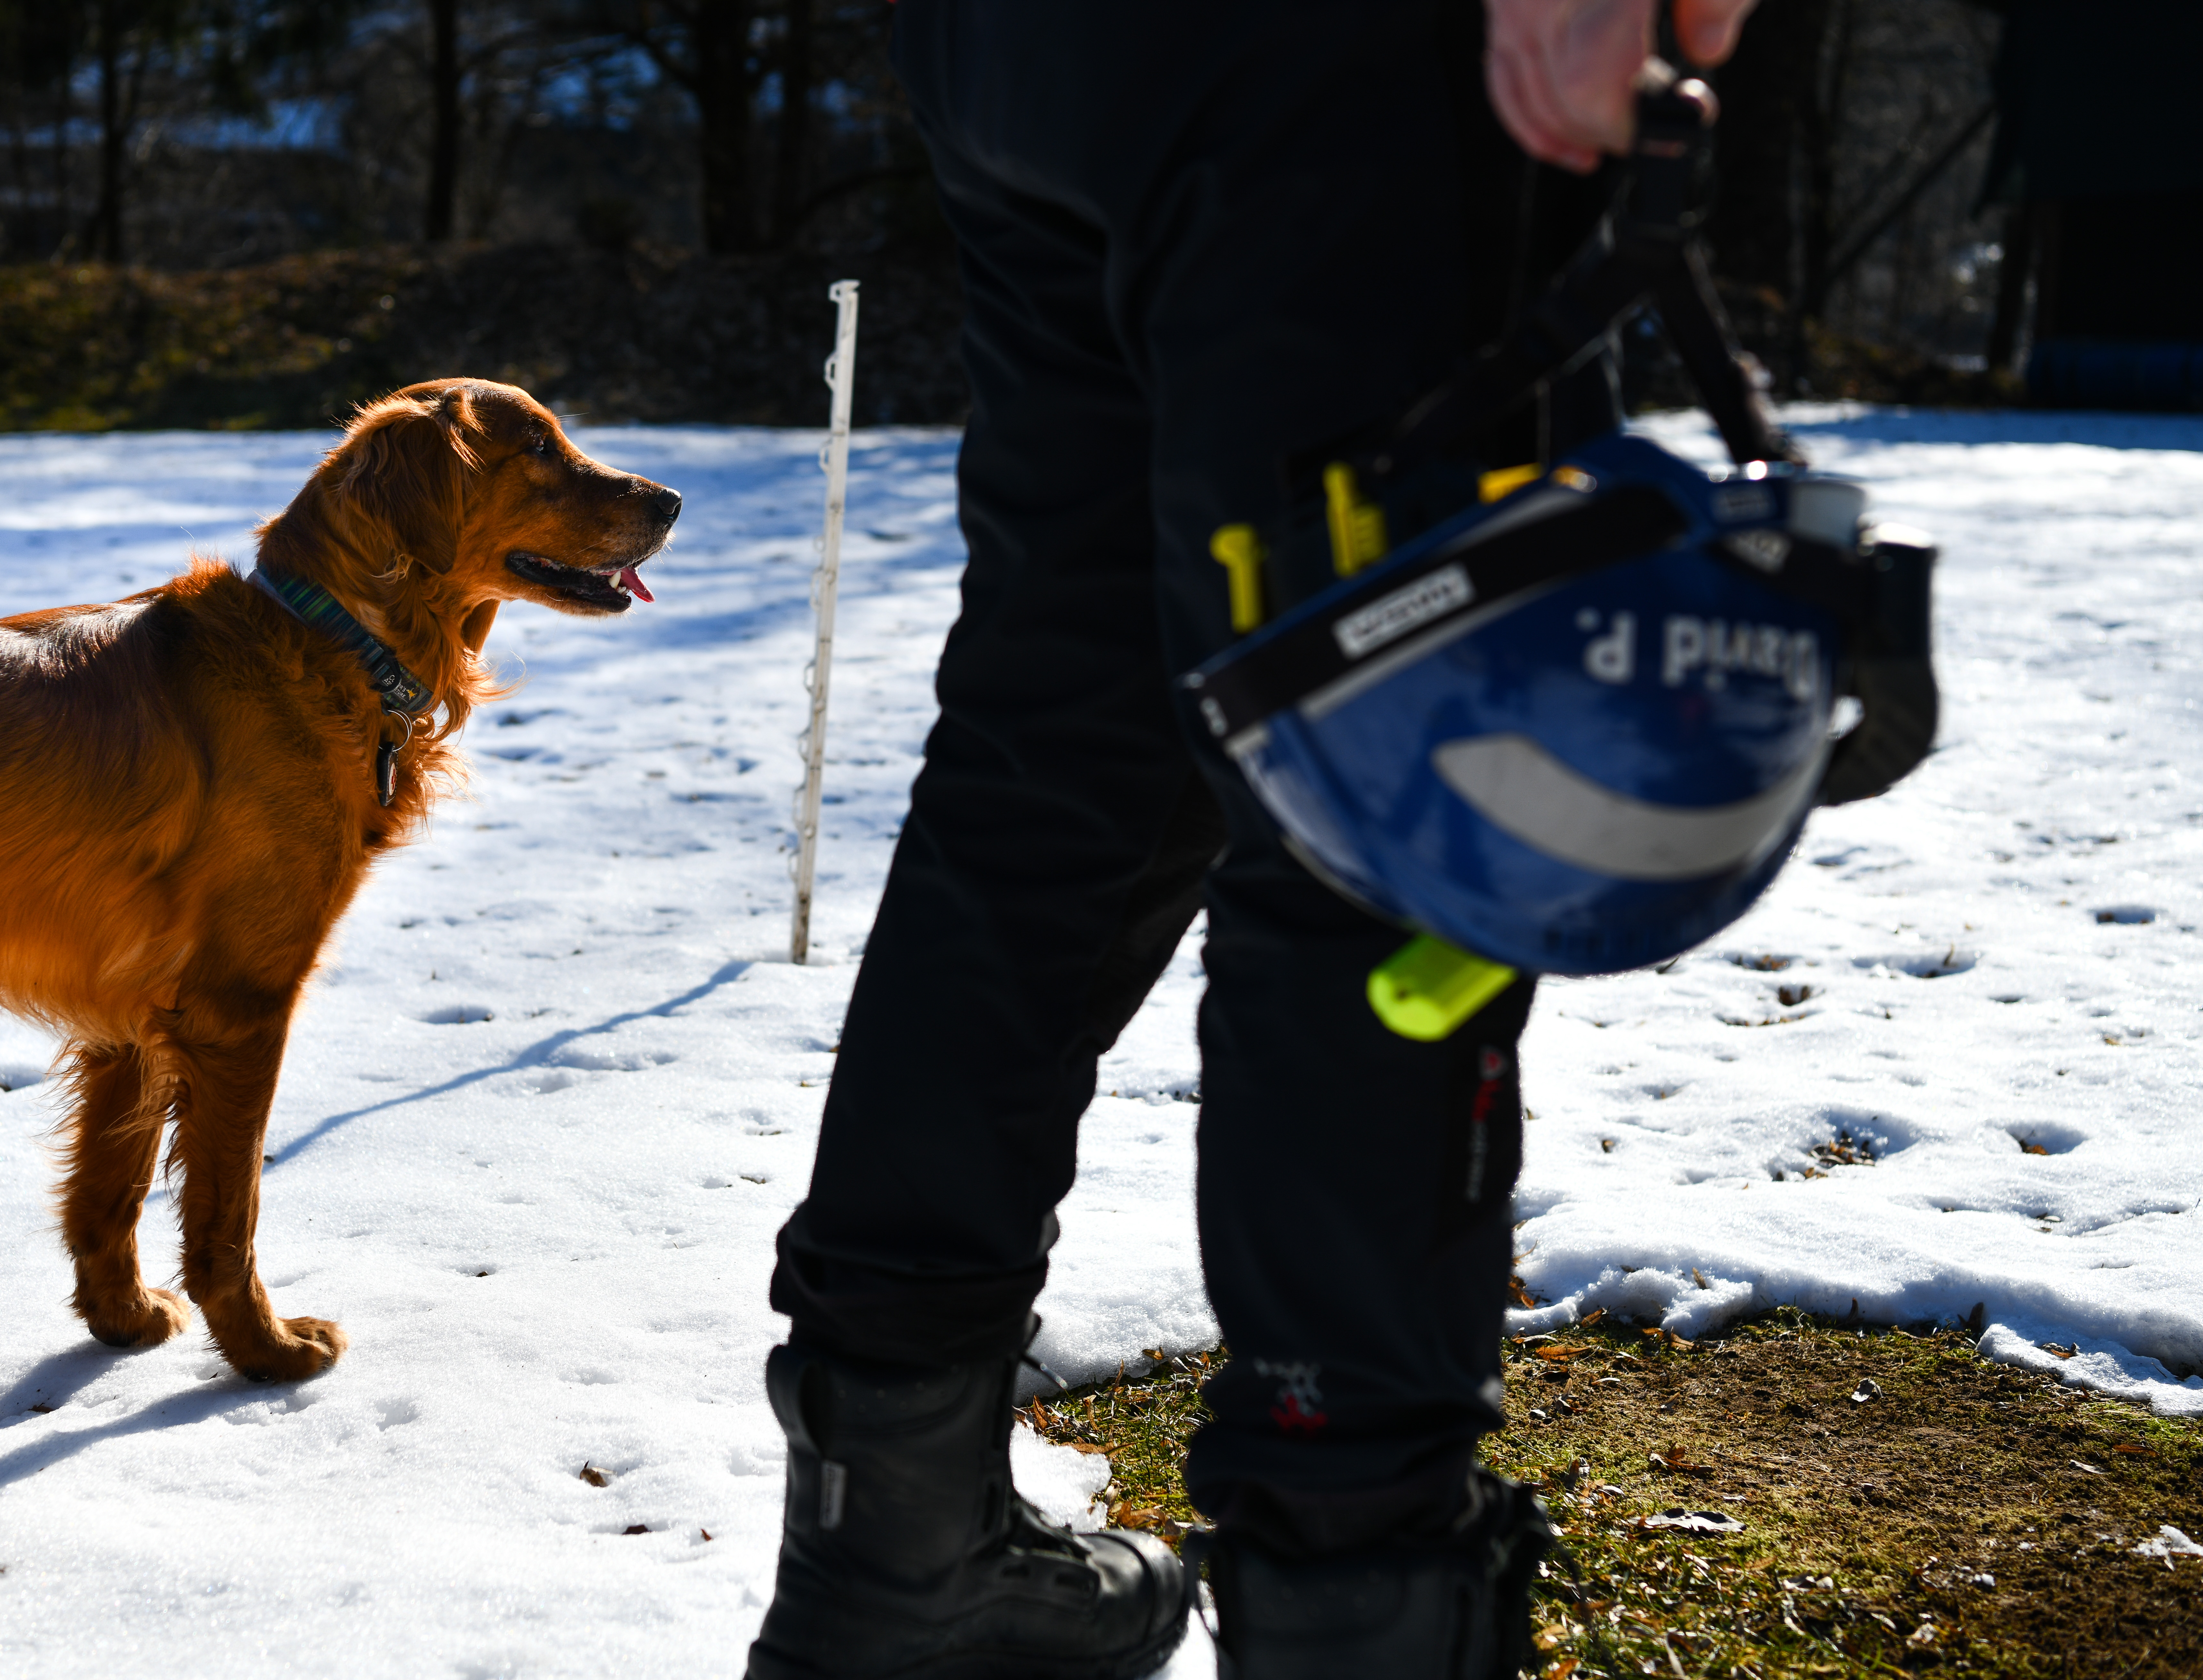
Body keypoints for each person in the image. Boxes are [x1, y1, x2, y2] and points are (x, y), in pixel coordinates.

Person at [745, 2, 1761, 1675]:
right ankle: (1344, 1597)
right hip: (1337, 64)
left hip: (1018, 50)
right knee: (1380, 808)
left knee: (1061, 740)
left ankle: (893, 1549)